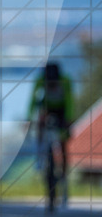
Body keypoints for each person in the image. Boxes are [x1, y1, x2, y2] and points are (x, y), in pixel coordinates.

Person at [27, 61, 75, 207]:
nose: (52, 85)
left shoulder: (65, 81)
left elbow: (70, 102)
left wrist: (68, 120)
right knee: (40, 122)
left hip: (62, 111)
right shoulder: (40, 80)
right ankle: (40, 155)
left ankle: (64, 178)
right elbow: (33, 101)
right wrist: (30, 119)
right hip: (47, 109)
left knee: (63, 143)